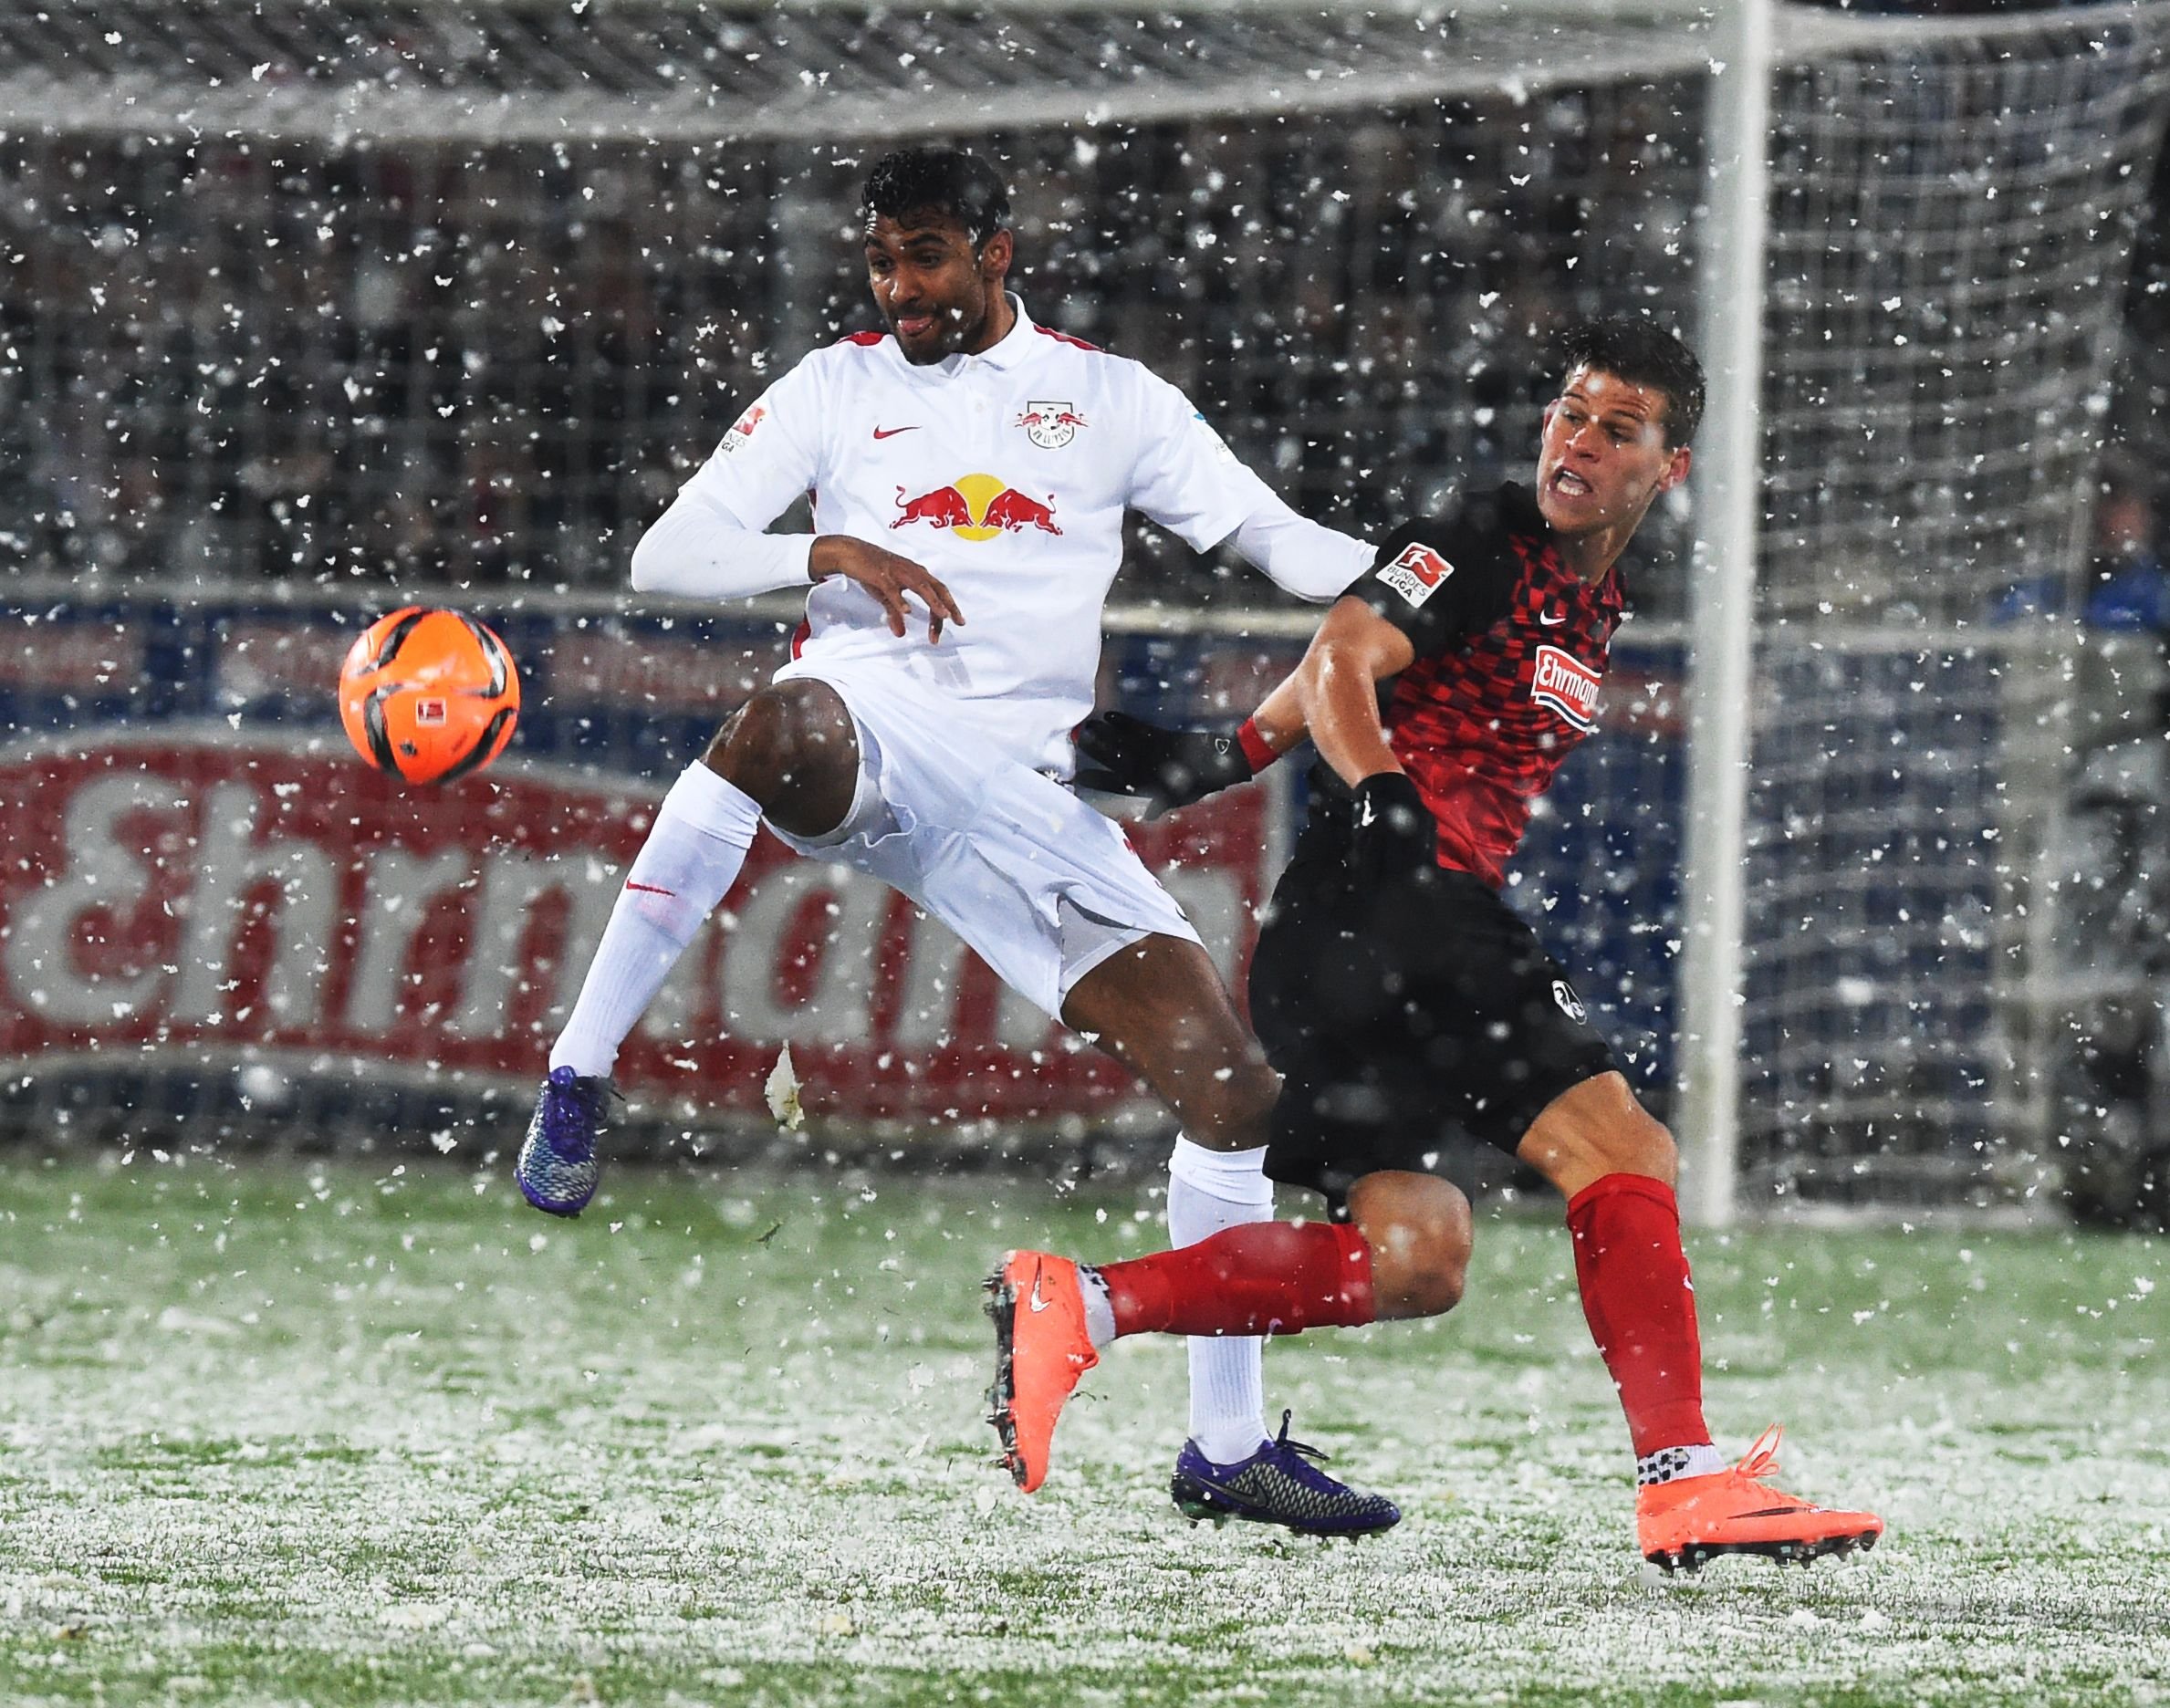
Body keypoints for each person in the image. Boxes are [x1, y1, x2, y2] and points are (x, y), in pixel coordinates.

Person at [513, 146, 1400, 1532]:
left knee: (1232, 1096)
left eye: (924, 258)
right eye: (881, 262)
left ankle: (1224, 1450)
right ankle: (578, 1071)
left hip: (1026, 794)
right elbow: (665, 557)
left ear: (997, 252)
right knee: (777, 722)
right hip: (873, 725)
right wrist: (822, 554)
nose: (899, 289)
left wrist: (1425, 580)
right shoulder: (835, 388)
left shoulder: (1108, 398)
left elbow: (1269, 537)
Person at [986, 319, 1886, 1571]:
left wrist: (1215, 760)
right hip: (1397, 903)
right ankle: (1683, 1482)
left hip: (1346, 934)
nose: (1578, 442)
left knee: (1417, 1260)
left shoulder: (1592, 597)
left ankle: (1081, 1303)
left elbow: (1332, 665)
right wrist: (1383, 796)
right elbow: (1346, 656)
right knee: (1622, 1147)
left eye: (1615, 429)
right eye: (1570, 414)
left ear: (1666, 467)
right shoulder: (1483, 539)